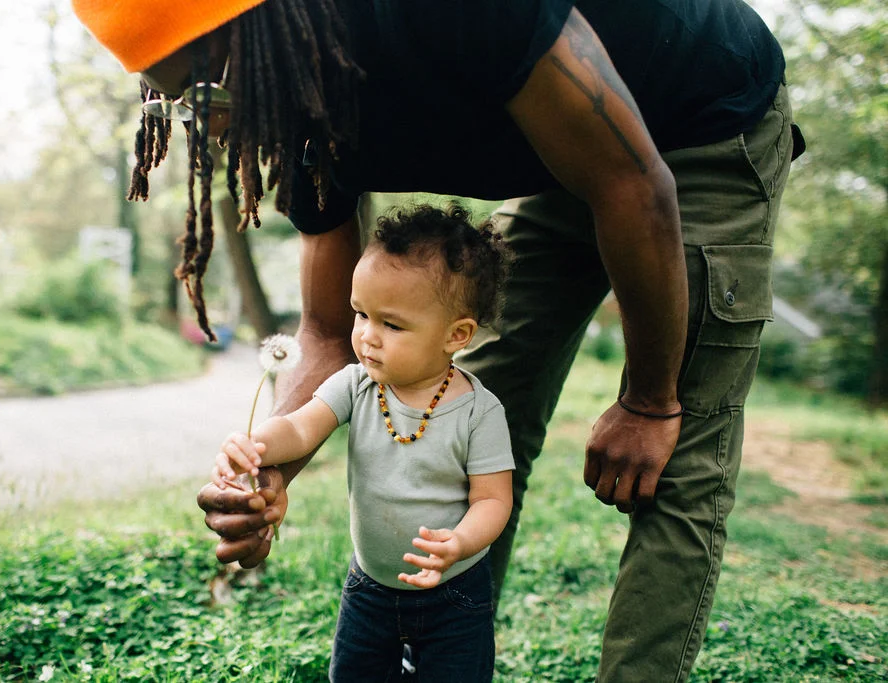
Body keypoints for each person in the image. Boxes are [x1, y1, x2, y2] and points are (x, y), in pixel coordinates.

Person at [72, 0, 804, 679]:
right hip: (566, 154)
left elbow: (633, 183)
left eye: (208, 91)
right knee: (467, 408)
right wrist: (271, 476)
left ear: (265, 28)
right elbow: (327, 330)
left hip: (699, 120)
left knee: (675, 454)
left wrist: (648, 400)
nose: (211, 128)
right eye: (175, 103)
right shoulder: (298, 116)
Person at [213, 205, 514, 681]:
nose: (367, 336)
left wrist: (460, 542)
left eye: (391, 324)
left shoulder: (480, 412)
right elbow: (299, 429)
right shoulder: (357, 385)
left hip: (454, 591)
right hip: (370, 586)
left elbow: (493, 500)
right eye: (360, 314)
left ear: (456, 335)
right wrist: (255, 444)